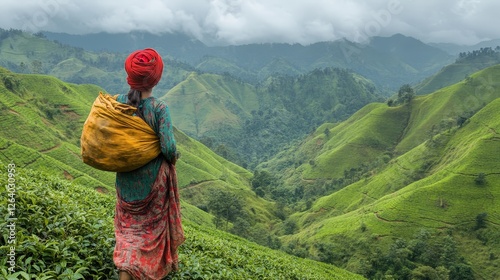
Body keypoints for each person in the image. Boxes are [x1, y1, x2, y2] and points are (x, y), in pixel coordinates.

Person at [113, 48, 185, 280]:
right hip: (153, 184)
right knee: (147, 236)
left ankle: (126, 269)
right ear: (156, 78)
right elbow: (169, 149)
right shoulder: (159, 108)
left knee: (129, 233)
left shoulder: (118, 104)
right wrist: (174, 157)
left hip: (126, 180)